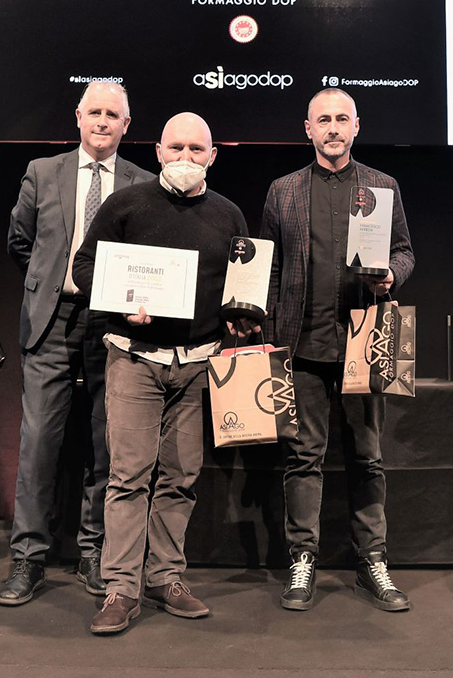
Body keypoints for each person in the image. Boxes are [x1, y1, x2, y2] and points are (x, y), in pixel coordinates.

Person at [73, 112, 250, 635]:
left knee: (180, 478)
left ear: (213, 156)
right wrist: (121, 301)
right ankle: (121, 588)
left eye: (197, 150)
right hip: (134, 359)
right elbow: (85, 267)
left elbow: (245, 282)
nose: (186, 159)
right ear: (157, 151)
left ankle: (165, 577)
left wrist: (243, 314)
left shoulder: (229, 214)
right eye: (177, 148)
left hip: (198, 366)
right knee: (128, 477)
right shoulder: (125, 204)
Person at [259, 88, 414, 613]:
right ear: (308, 128)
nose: (332, 128)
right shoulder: (283, 191)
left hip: (363, 343)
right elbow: (271, 268)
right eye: (322, 119)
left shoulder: (381, 186)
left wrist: (393, 274)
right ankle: (302, 561)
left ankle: (373, 561)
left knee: (368, 459)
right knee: (303, 459)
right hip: (301, 347)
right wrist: (265, 330)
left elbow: (403, 251)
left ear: (356, 126)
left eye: (341, 119)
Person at [0, 82, 152, 605]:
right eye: (95, 112)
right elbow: (20, 242)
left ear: (126, 125)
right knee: (39, 443)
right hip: (52, 321)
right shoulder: (44, 172)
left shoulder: (144, 182)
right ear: (78, 117)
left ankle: (94, 551)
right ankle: (28, 557)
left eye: (114, 114)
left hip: (113, 327)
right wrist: (51, 283)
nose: (103, 121)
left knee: (106, 444)